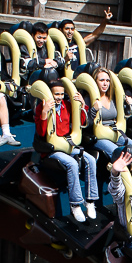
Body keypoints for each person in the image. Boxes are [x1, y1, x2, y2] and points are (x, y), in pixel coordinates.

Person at [34, 80, 98, 223]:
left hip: (68, 145)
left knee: (90, 160)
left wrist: (82, 105)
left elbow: (81, 122)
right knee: (72, 164)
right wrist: (44, 112)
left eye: (62, 94)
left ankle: (90, 200)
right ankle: (75, 204)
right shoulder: (41, 107)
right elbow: (41, 132)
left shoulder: (66, 106)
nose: (60, 97)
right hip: (52, 149)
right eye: (57, 94)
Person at [89, 66, 132, 158]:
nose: (105, 83)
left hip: (115, 132)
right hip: (100, 136)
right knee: (118, 153)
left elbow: (126, 117)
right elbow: (87, 124)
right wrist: (94, 109)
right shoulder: (90, 99)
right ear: (95, 82)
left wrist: (130, 106)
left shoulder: (113, 98)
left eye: (107, 80)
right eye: (101, 80)